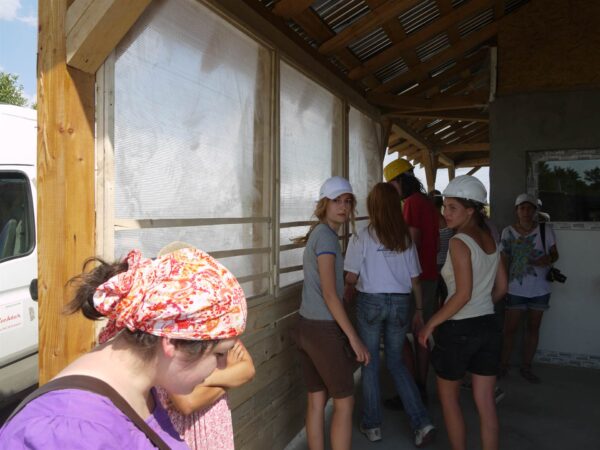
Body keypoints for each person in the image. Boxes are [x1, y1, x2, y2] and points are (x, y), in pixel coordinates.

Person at [0, 246, 247, 449]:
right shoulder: (67, 432)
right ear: (172, 341)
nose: (222, 366)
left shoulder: (143, 391)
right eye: (219, 354)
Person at [94, 242, 256, 450]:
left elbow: (248, 370)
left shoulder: (216, 327)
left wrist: (206, 382)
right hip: (186, 434)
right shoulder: (173, 335)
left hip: (216, 429)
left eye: (221, 354)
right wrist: (228, 379)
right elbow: (187, 403)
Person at [419, 176, 508, 450]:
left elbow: (462, 294)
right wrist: (482, 306)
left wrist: (430, 325)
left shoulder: (459, 242)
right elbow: (502, 288)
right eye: (444, 206)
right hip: (489, 326)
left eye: (453, 207)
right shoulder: (491, 240)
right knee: (486, 403)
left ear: (470, 210)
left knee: (449, 401)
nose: (445, 212)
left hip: (458, 329)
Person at [344, 182, 435, 447]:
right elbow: (415, 280)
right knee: (396, 363)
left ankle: (373, 425)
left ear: (372, 207)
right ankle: (422, 424)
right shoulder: (405, 239)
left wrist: (348, 283)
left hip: (370, 302)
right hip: (401, 303)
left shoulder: (362, 236)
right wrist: (419, 311)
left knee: (370, 362)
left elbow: (351, 277)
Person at [293, 176, 370, 450]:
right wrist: (353, 338)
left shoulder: (319, 233)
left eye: (347, 201)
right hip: (323, 330)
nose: (343, 207)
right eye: (337, 201)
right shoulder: (326, 237)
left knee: (316, 400)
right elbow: (329, 294)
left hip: (306, 326)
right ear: (324, 203)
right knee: (344, 401)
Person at [384, 159, 439, 402]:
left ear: (399, 181)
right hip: (429, 275)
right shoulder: (426, 202)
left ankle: (410, 390)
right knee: (421, 334)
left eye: (391, 185)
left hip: (416, 279)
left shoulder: (412, 204)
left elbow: (411, 244)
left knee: (398, 334)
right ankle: (420, 387)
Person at [499, 193, 559, 384]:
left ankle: (526, 367)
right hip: (515, 289)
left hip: (540, 289)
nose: (526, 211)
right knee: (509, 330)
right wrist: (503, 284)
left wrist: (548, 259)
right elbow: (503, 259)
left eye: (529, 208)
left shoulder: (545, 230)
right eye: (522, 208)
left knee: (533, 329)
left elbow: (555, 254)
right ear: (516, 210)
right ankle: (503, 366)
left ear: (535, 211)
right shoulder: (508, 232)